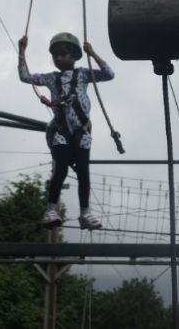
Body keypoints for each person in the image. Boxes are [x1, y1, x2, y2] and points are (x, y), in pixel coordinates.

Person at [18, 32, 115, 230]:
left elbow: (109, 74)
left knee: (83, 173)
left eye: (63, 54)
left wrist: (92, 52)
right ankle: (50, 210)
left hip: (82, 131)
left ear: (74, 56)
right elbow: (25, 76)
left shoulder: (84, 74)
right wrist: (21, 51)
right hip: (61, 130)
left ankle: (85, 213)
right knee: (60, 169)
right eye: (55, 55)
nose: (58, 58)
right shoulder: (50, 78)